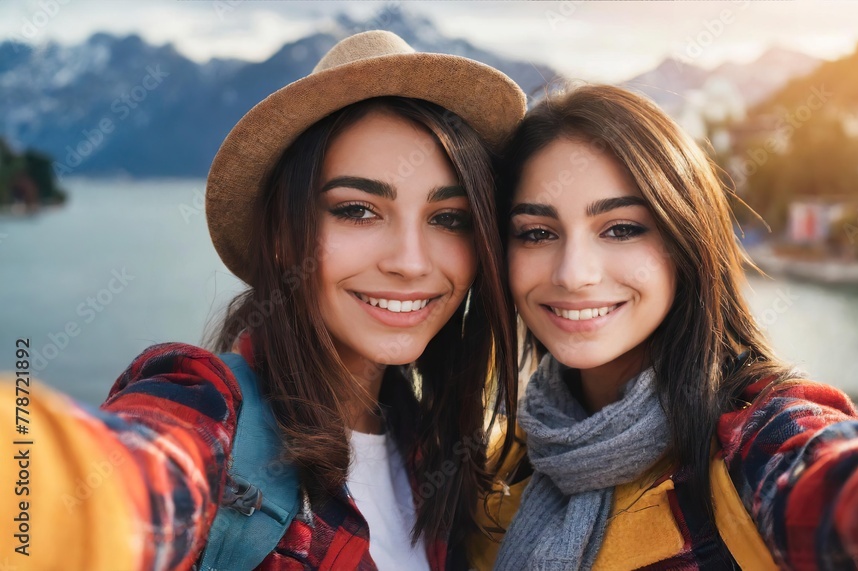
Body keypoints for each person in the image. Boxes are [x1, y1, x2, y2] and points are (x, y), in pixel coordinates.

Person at [0, 30, 524, 570]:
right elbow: (120, 486)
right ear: (281, 237)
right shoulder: (209, 415)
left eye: (449, 218)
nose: (411, 262)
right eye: (357, 210)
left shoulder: (436, 453)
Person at [467, 84, 858, 570]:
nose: (574, 274)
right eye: (536, 233)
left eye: (622, 228)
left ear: (686, 243)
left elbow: (855, 494)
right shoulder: (505, 462)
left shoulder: (753, 441)